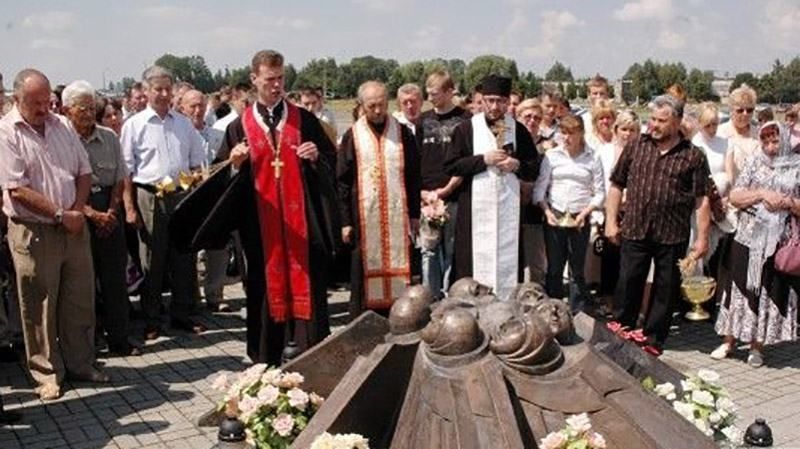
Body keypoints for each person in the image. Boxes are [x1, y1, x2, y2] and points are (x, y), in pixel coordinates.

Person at [216, 49, 339, 364]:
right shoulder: (239, 127)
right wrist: (234, 165)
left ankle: (311, 353)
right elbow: (219, 175)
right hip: (259, 226)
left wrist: (316, 158)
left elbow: (332, 162)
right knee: (262, 284)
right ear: (254, 79)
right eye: (270, 79)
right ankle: (266, 358)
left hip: (302, 224)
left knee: (307, 280)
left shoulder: (304, 120)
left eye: (281, 78)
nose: (276, 85)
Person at [0, 69, 109, 400]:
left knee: (79, 300)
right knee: (39, 305)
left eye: (47, 101)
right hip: (34, 230)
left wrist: (75, 212)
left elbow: (84, 172)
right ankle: (47, 373)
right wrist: (60, 214)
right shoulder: (6, 132)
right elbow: (17, 189)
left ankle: (81, 364)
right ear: (17, 99)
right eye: (35, 103)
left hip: (72, 228)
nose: (43, 109)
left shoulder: (61, 125)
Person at [605, 95, 712, 356]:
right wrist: (610, 222)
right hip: (635, 228)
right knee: (628, 282)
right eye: (652, 119)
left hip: (672, 234)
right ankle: (620, 333)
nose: (653, 124)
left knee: (666, 289)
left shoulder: (693, 156)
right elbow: (616, 184)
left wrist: (702, 238)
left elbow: (702, 199)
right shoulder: (636, 146)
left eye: (661, 121)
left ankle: (653, 341)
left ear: (677, 122)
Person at [121, 66, 207, 340]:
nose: (163, 94)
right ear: (146, 91)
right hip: (149, 196)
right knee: (152, 259)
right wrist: (130, 207)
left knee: (183, 257)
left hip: (181, 194)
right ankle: (152, 318)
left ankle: (182, 313)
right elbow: (126, 172)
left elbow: (197, 162)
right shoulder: (134, 125)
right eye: (157, 89)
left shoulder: (182, 123)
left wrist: (194, 188)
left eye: (168, 89)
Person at [711, 121, 800, 367]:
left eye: (775, 141)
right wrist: (761, 194)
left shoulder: (796, 166)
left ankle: (756, 346)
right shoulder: (754, 161)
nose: (770, 146)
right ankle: (728, 340)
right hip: (747, 236)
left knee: (765, 290)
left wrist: (787, 202)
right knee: (739, 287)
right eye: (766, 141)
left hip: (777, 241)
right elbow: (735, 196)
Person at [62, 81, 140, 357]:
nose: (88, 113)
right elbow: (63, 186)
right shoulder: (61, 139)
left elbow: (119, 178)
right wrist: (91, 214)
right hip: (78, 212)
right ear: (67, 109)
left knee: (114, 280)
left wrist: (111, 212)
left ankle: (120, 338)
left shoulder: (108, 137)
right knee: (82, 284)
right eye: (81, 108)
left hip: (109, 212)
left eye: (91, 107)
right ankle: (90, 341)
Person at [445, 74, 539, 300]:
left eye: (500, 101)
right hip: (474, 211)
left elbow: (533, 167)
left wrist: (517, 165)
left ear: (507, 102)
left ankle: (507, 306)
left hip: (508, 210)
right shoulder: (466, 129)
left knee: (509, 261)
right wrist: (483, 160)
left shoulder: (518, 130)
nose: (495, 107)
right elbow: (451, 165)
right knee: (471, 264)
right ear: (482, 100)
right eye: (490, 101)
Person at [338, 80, 420, 316]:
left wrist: (415, 214)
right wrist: (345, 221)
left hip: (397, 218)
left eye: (382, 104)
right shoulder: (353, 136)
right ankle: (363, 322)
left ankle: (400, 318)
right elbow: (342, 181)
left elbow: (414, 176)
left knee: (400, 269)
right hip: (363, 218)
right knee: (363, 272)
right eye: (371, 106)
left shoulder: (402, 133)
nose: (377, 110)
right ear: (362, 105)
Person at [534, 114, 604, 313]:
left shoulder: (593, 157)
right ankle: (552, 310)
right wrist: (547, 212)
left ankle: (577, 312)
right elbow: (540, 189)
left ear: (581, 133)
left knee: (577, 268)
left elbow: (600, 192)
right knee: (555, 267)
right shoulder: (552, 156)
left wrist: (585, 213)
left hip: (580, 216)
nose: (566, 137)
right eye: (563, 133)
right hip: (555, 214)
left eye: (571, 133)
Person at [417, 70, 470, 299]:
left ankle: (450, 295)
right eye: (428, 93)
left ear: (450, 92)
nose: (430, 98)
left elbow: (466, 159)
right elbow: (416, 159)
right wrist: (423, 193)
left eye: (435, 94)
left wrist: (448, 189)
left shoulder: (464, 120)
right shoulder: (422, 120)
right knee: (428, 249)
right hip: (427, 196)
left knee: (451, 248)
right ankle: (429, 296)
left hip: (454, 194)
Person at [516, 99, 547, 284]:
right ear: (518, 117)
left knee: (535, 262)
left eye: (537, 118)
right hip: (512, 206)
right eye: (528, 116)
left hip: (535, 210)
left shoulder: (548, 146)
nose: (532, 121)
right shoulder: (509, 142)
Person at [718, 84, 759, 182]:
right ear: (731, 110)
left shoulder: (759, 134)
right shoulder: (720, 133)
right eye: (740, 110)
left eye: (749, 110)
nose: (745, 114)